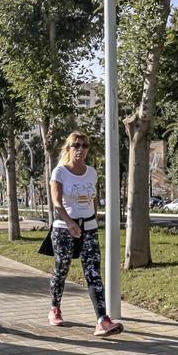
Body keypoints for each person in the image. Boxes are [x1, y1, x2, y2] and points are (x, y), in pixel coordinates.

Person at [48, 131, 123, 337]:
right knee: (61, 270)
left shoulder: (91, 173)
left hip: (88, 229)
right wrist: (69, 222)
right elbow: (56, 202)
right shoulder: (60, 172)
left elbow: (93, 199)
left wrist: (93, 220)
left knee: (93, 274)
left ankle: (102, 320)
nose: (80, 149)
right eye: (76, 145)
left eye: (84, 145)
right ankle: (55, 307)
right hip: (64, 229)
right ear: (68, 148)